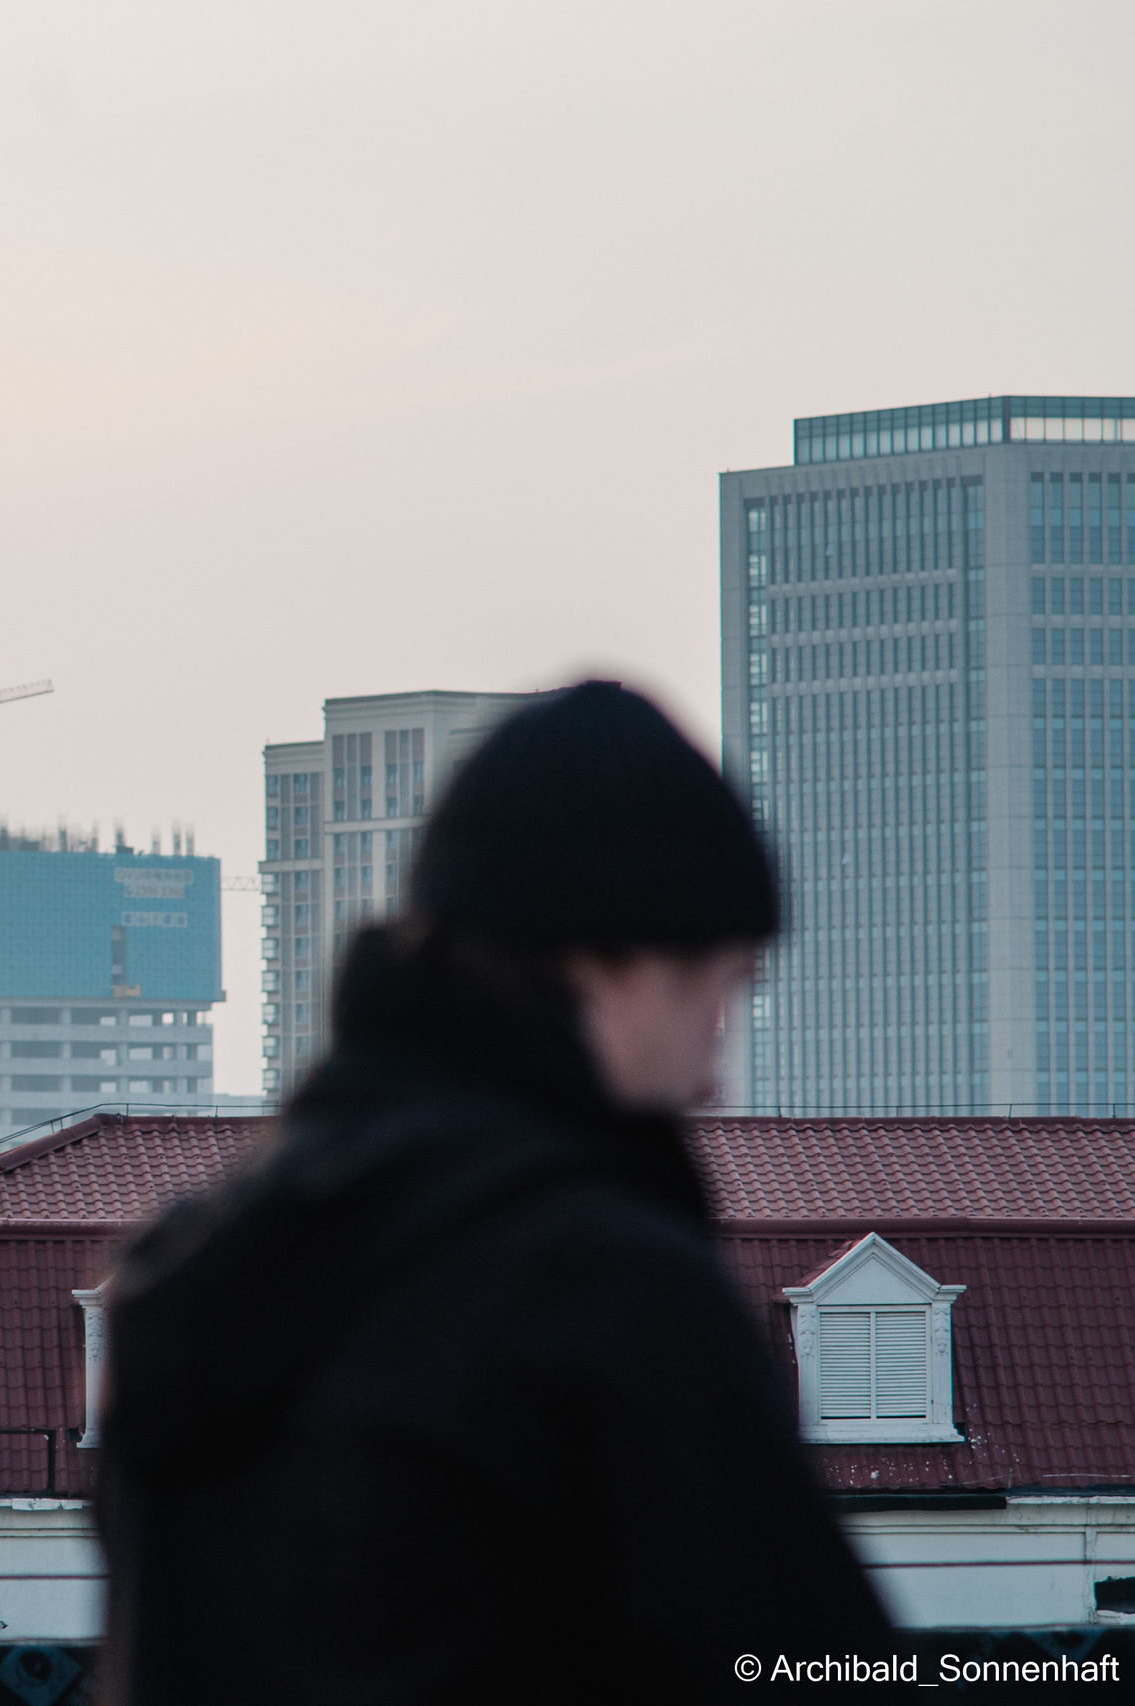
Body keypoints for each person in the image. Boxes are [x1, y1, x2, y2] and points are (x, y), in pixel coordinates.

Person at [95, 682, 903, 1704]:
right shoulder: (605, 1289)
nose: (715, 1073)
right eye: (717, 988)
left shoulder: (192, 1270)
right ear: (605, 960)